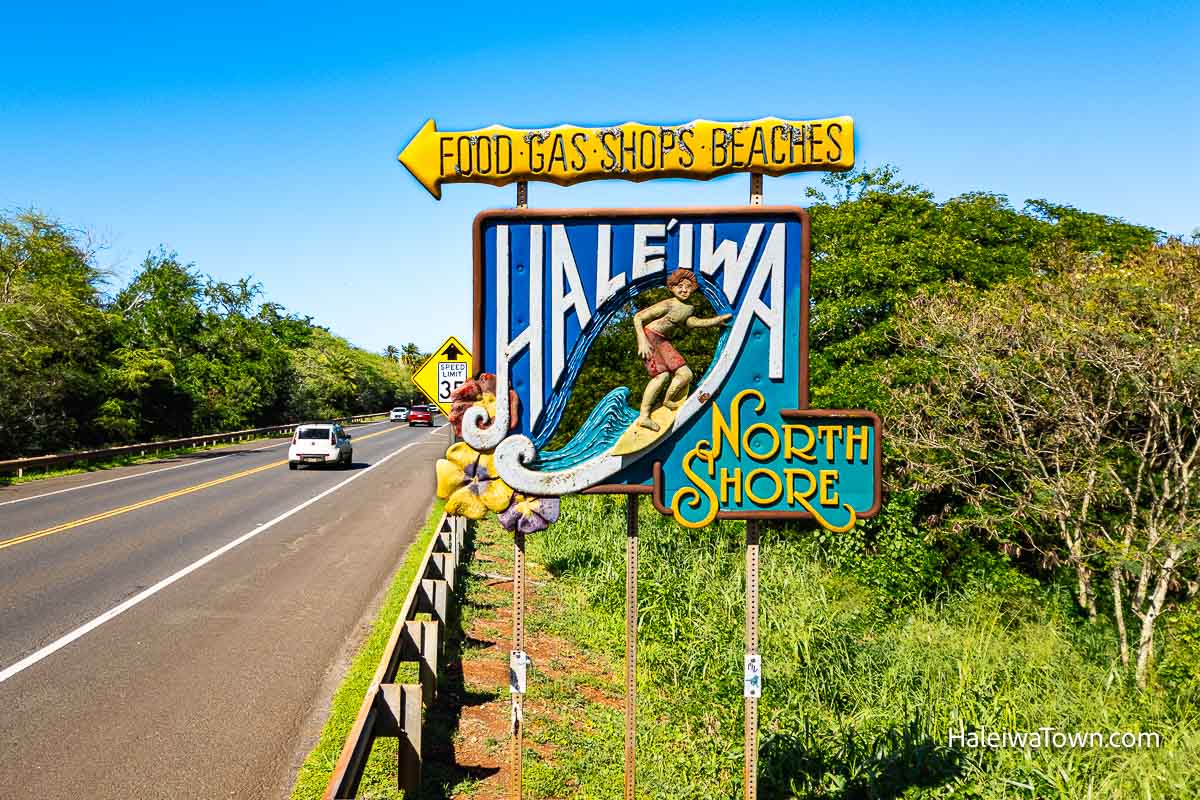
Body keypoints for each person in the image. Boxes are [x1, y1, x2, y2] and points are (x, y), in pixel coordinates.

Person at [633, 268, 731, 431]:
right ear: (672, 287)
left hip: (663, 341)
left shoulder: (688, 308)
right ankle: (644, 416)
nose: (684, 290)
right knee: (661, 376)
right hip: (650, 336)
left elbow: (691, 323)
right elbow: (638, 317)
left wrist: (715, 321)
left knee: (686, 374)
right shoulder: (668, 303)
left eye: (688, 287)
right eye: (680, 286)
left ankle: (668, 400)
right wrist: (642, 341)